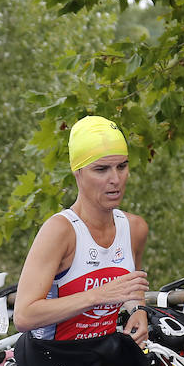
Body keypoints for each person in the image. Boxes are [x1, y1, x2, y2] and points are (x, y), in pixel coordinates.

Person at [13, 115, 150, 344]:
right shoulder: (60, 231)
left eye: (122, 166)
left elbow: (131, 290)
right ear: (78, 172)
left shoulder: (135, 228)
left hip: (103, 359)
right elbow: (24, 315)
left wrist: (138, 311)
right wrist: (98, 296)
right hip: (51, 365)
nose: (115, 179)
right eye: (101, 169)